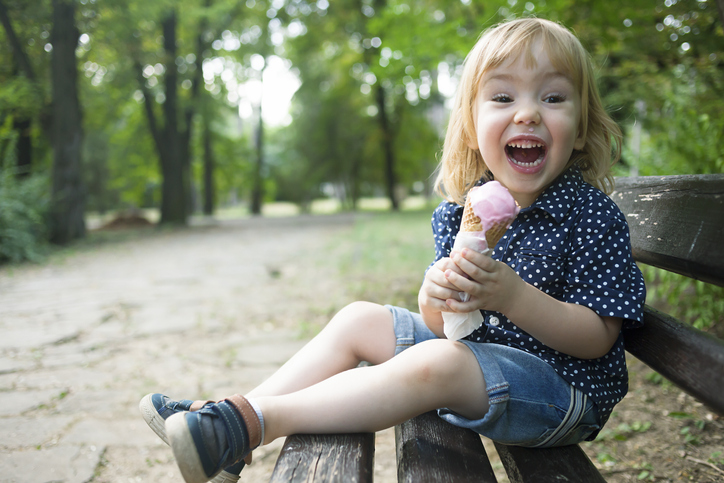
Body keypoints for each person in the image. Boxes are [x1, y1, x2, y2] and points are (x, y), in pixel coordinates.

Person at [140, 17, 646, 483]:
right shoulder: (463, 212)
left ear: (580, 129)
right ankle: (232, 418)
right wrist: (435, 294)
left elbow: (598, 337)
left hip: (562, 393)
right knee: (360, 318)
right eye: (503, 98)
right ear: (471, 125)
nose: (529, 113)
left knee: (441, 363)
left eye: (554, 98)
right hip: (479, 352)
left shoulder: (591, 216)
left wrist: (512, 297)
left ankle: (254, 424)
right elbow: (443, 319)